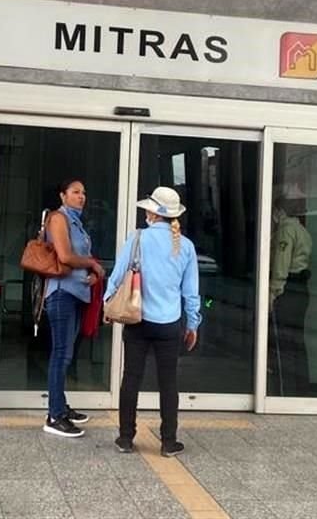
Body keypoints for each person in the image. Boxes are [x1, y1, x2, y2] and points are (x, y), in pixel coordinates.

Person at [107, 186, 201, 457]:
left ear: (152, 212)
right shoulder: (186, 246)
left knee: (131, 379)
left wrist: (107, 303)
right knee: (168, 382)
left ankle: (125, 438)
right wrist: (192, 324)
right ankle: (169, 441)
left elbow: (117, 276)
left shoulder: (137, 238)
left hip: (137, 320)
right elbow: (191, 293)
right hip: (169, 324)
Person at [42, 179, 105, 438]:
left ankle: (61, 407)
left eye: (84, 192)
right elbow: (66, 257)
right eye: (76, 192)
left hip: (77, 293)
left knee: (66, 354)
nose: (82, 197)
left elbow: (75, 260)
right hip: (61, 294)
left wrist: (90, 275)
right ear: (63, 195)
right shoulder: (58, 218)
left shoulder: (77, 222)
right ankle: (54, 415)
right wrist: (93, 263)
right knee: (60, 354)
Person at [269, 198, 313, 395]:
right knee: (297, 341)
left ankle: (284, 388)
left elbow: (281, 261)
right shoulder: (303, 231)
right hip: (301, 286)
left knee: (284, 341)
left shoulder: (286, 230)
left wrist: (273, 291)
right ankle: (301, 387)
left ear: (279, 210)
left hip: (288, 287)